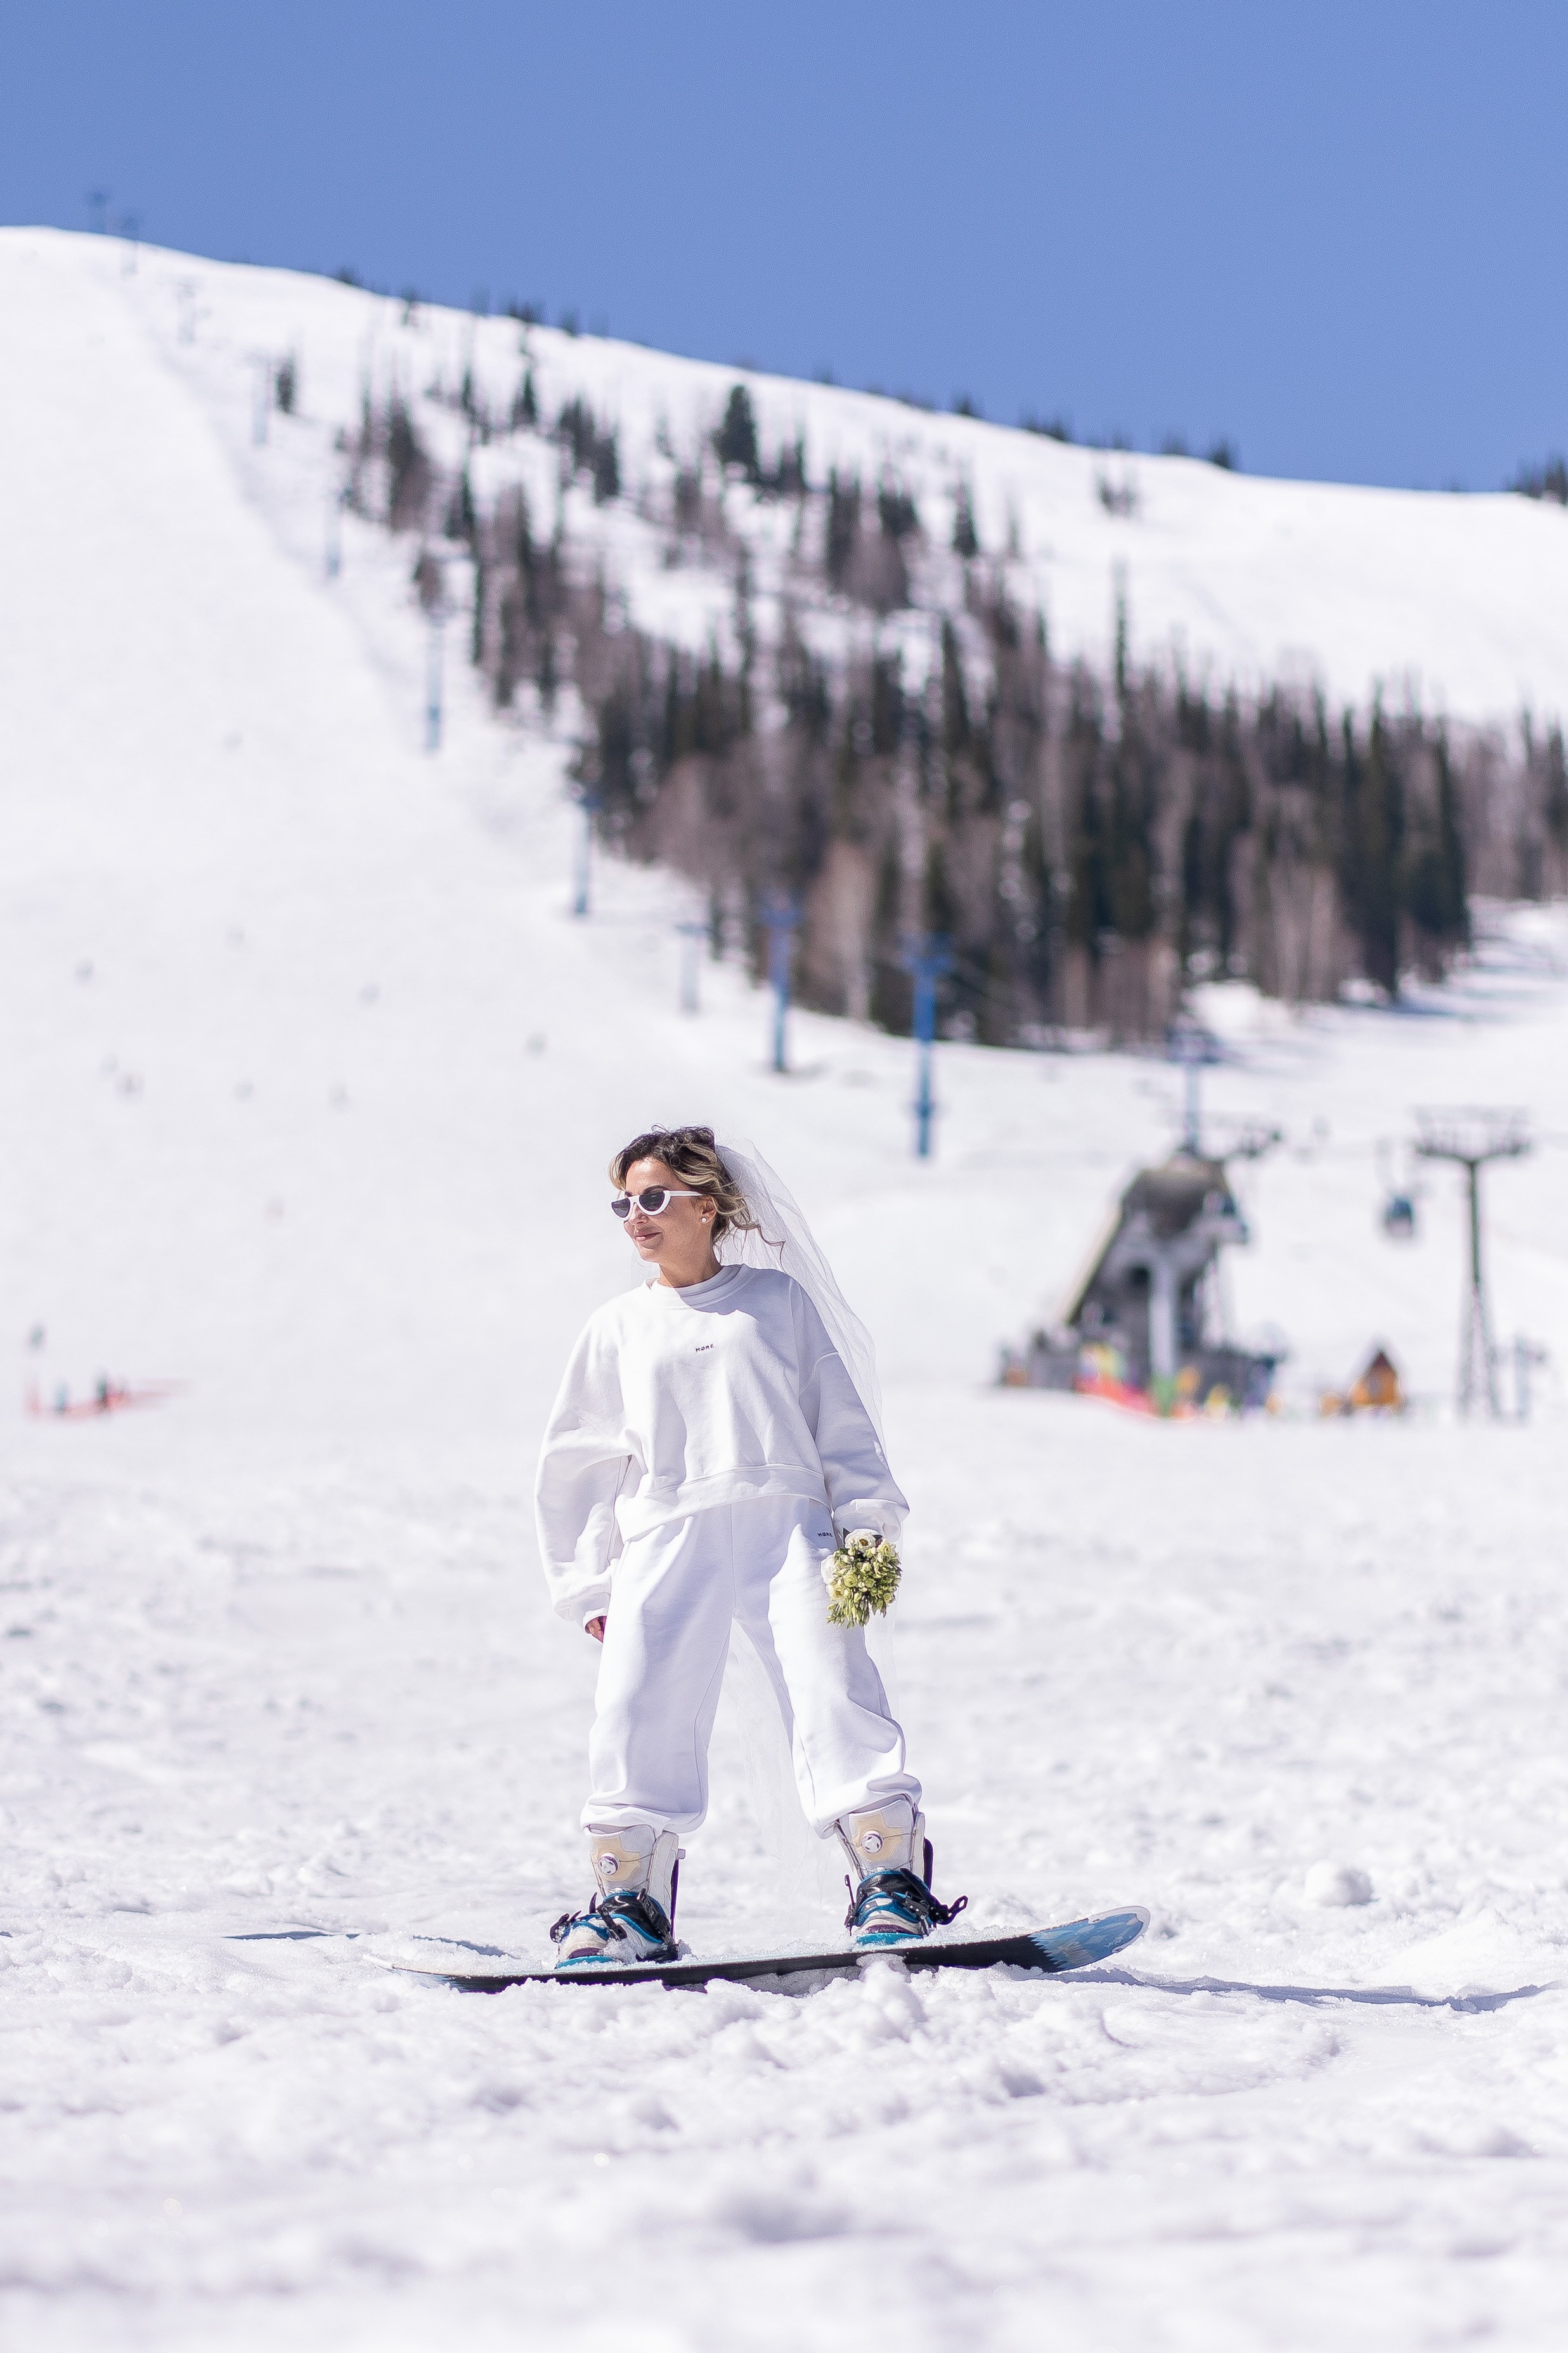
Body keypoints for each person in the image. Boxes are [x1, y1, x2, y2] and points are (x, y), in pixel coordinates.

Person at [534, 1124, 959, 1969]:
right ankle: (629, 1901)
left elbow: (843, 1426)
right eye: (624, 1201)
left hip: (786, 1530)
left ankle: (888, 1882)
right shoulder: (618, 1324)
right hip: (663, 1536)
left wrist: (868, 1545)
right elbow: (575, 1461)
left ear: (708, 1202)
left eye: (653, 1197)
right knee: (636, 1706)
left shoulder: (776, 1302)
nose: (636, 1217)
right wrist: (589, 1587)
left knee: (834, 1687)